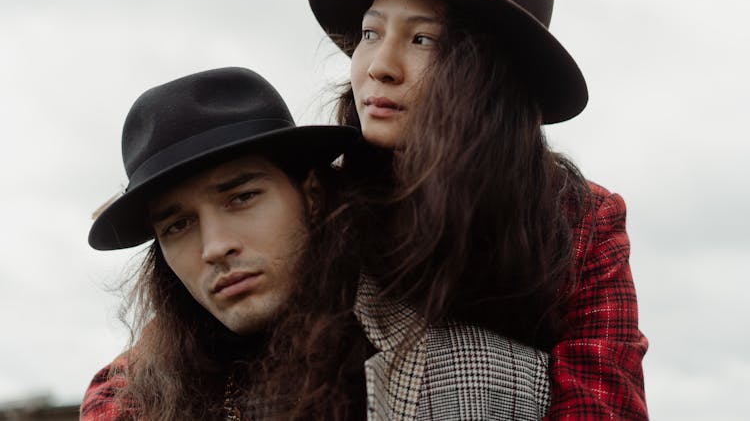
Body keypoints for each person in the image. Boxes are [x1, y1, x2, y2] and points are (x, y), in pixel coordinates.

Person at [308, 0, 649, 419]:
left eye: (422, 39)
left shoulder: (581, 220)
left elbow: (603, 401)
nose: (380, 65)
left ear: (493, 74)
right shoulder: (314, 199)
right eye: (369, 32)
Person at [81, 66, 552, 420]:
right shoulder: (145, 401)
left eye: (242, 197)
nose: (215, 247)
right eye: (177, 226)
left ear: (310, 195)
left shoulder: (477, 374)